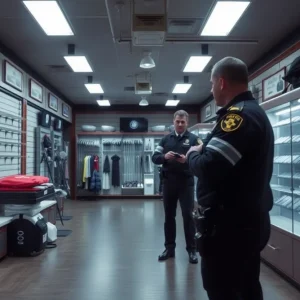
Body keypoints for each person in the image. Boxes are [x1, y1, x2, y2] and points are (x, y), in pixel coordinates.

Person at [186, 57, 274, 299]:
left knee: (225, 289)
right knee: (244, 287)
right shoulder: (251, 113)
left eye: (212, 84)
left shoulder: (238, 118)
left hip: (230, 229)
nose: (211, 89)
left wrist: (193, 154)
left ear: (222, 82)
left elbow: (209, 167)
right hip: (241, 223)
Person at [152, 110, 202, 264]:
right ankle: (169, 248)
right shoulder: (165, 140)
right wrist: (164, 157)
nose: (180, 124)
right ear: (173, 122)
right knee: (169, 217)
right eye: (177, 121)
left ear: (187, 123)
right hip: (169, 183)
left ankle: (192, 250)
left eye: (183, 122)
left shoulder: (194, 139)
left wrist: (187, 160)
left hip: (186, 183)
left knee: (188, 217)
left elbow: (202, 156)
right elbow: (155, 157)